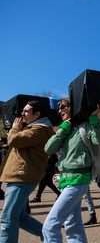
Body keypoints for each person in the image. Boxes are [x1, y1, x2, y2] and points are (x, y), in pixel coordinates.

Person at [43, 98, 100, 242]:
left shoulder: (86, 125)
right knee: (73, 227)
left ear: (74, 107)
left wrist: (94, 118)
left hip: (78, 180)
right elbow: (49, 148)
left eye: (63, 107)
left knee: (50, 227)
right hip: (65, 180)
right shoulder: (66, 128)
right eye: (58, 108)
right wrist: (64, 128)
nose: (59, 110)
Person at [0, 100, 54, 242]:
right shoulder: (31, 128)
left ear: (37, 114)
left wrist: (15, 129)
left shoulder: (41, 129)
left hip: (22, 177)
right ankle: (49, 237)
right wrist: (16, 130)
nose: (22, 114)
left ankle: (50, 236)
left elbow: (14, 141)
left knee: (8, 220)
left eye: (26, 111)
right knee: (20, 217)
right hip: (18, 176)